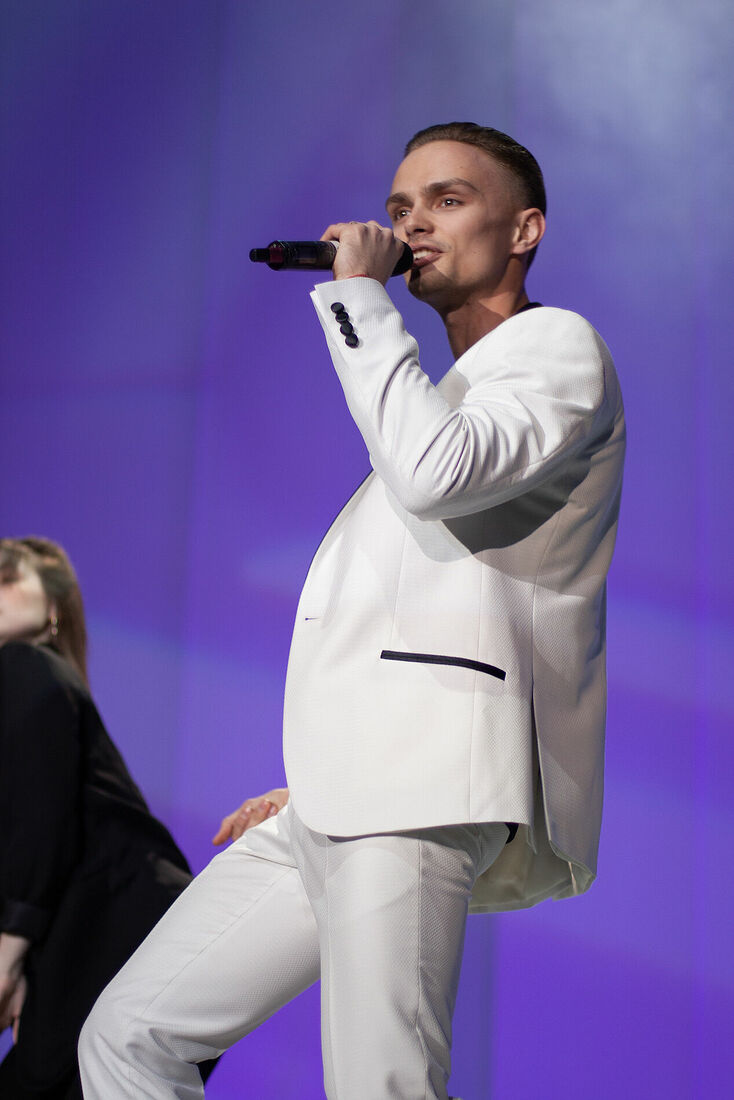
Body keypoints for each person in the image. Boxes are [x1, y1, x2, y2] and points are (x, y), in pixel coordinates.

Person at [79, 122, 626, 1099]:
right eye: (399, 208)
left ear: (523, 230)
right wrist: (325, 773)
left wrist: (359, 298)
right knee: (129, 1035)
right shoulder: (442, 390)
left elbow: (431, 474)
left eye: (447, 200)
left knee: (381, 1081)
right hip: (350, 789)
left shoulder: (557, 349)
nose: (413, 224)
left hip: (421, 789)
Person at [0, 537, 215, 1098]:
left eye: (6, 580)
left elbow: (39, 823)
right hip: (124, 935)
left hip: (118, 933)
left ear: (54, 609)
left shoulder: (25, 664)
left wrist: (8, 954)